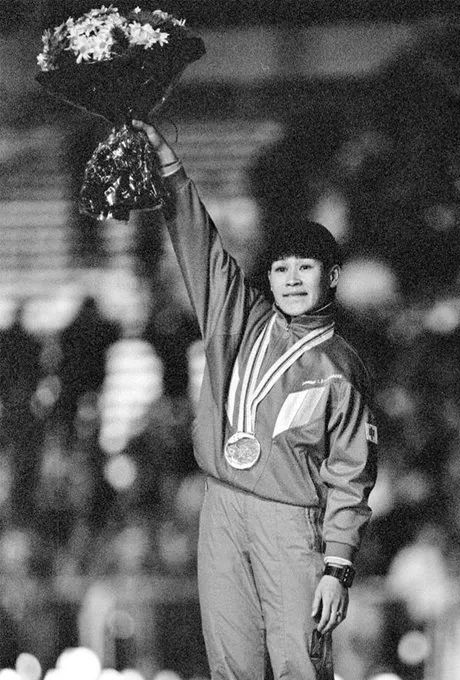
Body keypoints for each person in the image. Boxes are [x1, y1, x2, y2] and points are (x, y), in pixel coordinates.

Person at [133, 119, 378, 680]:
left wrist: (337, 568)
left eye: (306, 267)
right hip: (220, 507)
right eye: (281, 268)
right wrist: (168, 169)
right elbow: (200, 246)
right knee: (230, 665)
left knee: (299, 662)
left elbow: (352, 473)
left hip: (291, 522)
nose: (292, 279)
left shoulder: (340, 368)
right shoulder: (237, 321)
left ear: (332, 276)